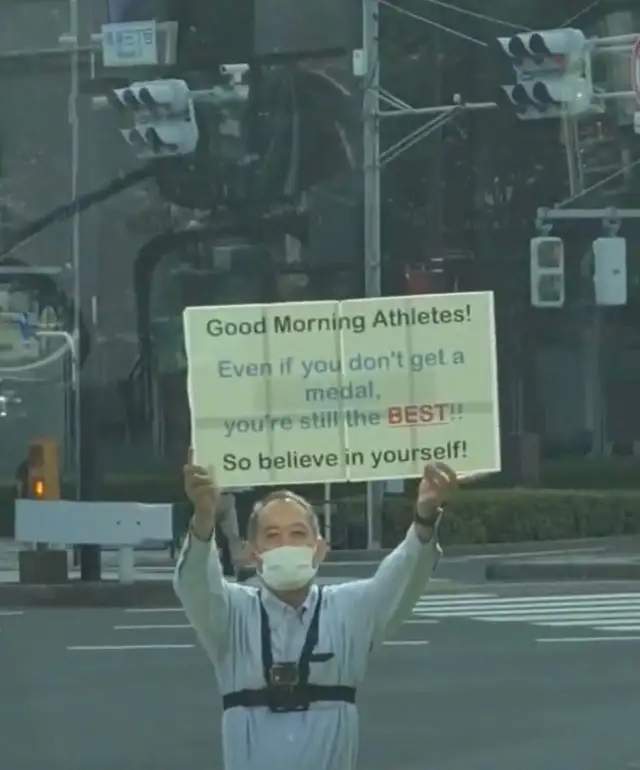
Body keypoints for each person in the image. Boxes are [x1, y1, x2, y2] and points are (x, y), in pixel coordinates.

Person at [174, 450, 457, 770]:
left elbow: (405, 575)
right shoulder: (231, 615)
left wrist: (424, 518)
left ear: (319, 549)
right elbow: (195, 583)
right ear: (253, 554)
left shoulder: (349, 610)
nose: (286, 545)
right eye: (272, 536)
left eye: (297, 534)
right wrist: (204, 517)